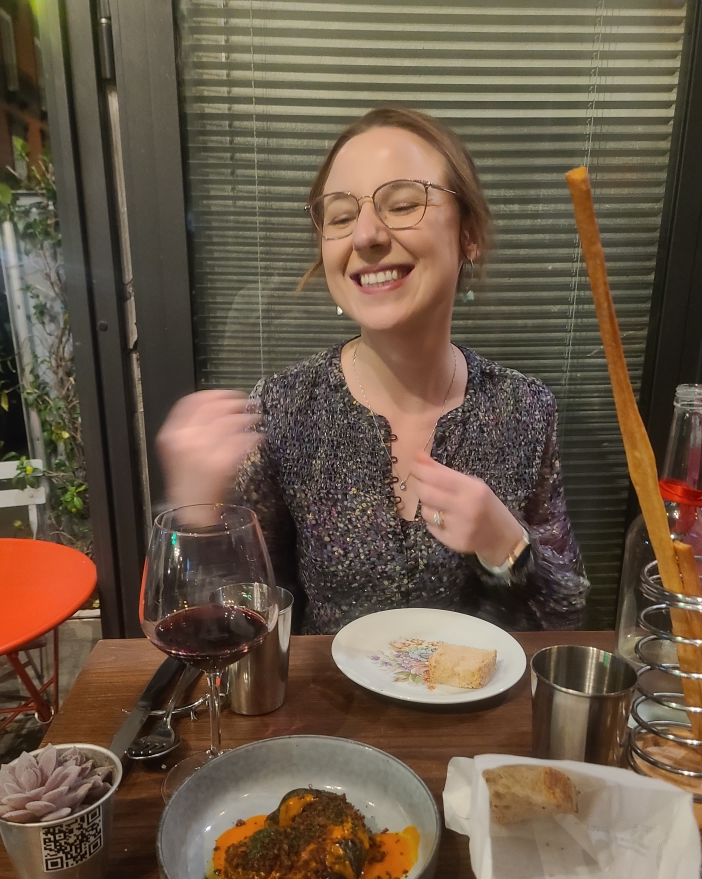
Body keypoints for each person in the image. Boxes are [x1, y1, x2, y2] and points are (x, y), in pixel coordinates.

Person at [158, 107, 589, 633]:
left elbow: (567, 615)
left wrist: (507, 546)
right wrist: (196, 516)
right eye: (340, 217)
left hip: (479, 712)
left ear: (468, 235)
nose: (365, 235)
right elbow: (235, 628)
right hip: (330, 715)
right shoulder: (286, 410)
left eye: (403, 204)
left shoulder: (523, 409)